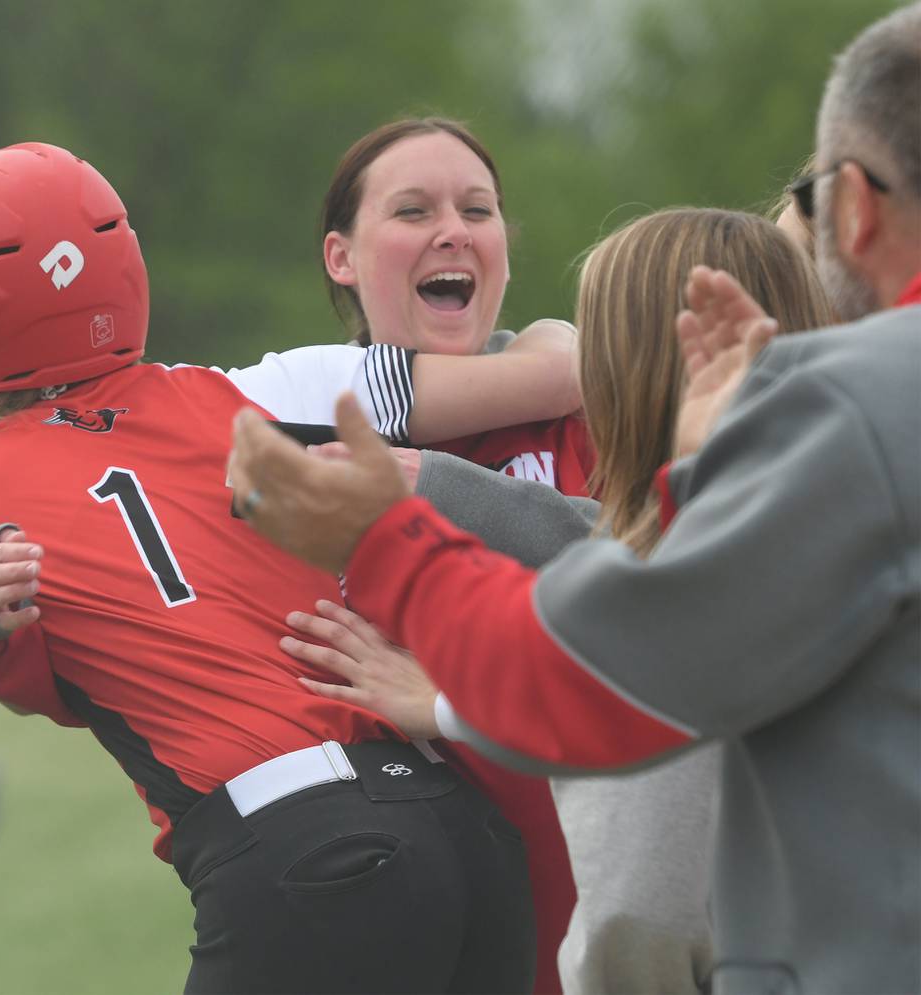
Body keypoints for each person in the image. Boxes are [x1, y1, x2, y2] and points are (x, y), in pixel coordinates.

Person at [227, 6, 921, 992]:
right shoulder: (277, 425)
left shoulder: (616, 408)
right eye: (414, 210)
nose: (454, 231)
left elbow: (650, 630)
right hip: (419, 922)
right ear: (340, 255)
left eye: (477, 205)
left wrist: (432, 542)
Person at [0, 140, 591, 993]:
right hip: (463, 830)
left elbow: (48, 686)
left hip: (293, 851)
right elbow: (560, 370)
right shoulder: (272, 391)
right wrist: (559, 329)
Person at [280, 207, 833, 994]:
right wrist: (451, 706)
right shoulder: (848, 522)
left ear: (643, 366)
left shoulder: (680, 592)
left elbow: (643, 910)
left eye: (596, 345)